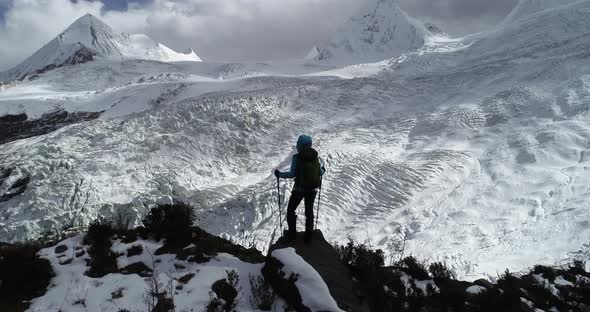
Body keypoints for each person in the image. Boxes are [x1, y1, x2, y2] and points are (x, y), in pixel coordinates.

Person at [275, 135, 326, 243]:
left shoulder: (297, 158)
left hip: (299, 189)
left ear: (299, 145)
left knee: (291, 210)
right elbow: (319, 172)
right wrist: (323, 170)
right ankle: (308, 237)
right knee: (309, 211)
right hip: (313, 190)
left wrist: (279, 174)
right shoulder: (314, 157)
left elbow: (292, 174)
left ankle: (292, 235)